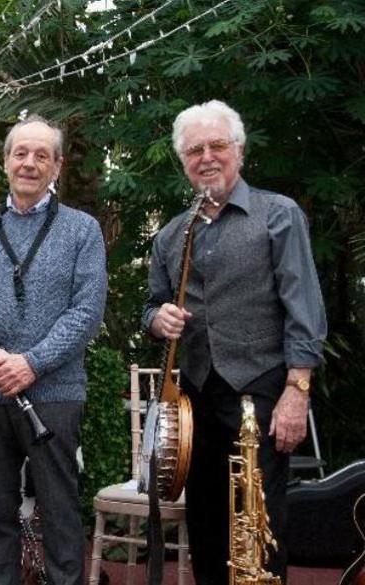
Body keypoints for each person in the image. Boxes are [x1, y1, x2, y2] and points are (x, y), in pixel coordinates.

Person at [143, 100, 326, 584]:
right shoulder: (170, 235)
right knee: (205, 521)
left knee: (261, 522)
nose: (207, 157)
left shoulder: (277, 215)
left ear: (239, 152)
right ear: (183, 162)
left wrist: (297, 391)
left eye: (217, 145)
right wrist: (157, 319)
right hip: (196, 398)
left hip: (263, 390)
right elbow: (152, 307)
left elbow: (303, 308)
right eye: (194, 150)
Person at [0, 116, 107, 585]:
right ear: (7, 162)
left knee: (59, 509)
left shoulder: (82, 230)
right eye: (21, 153)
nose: (29, 163)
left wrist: (31, 363)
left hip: (54, 392)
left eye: (41, 155)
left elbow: (86, 311)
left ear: (56, 166)